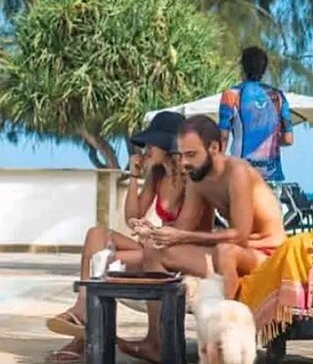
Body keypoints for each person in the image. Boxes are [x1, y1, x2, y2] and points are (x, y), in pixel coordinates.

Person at [45, 111, 213, 362]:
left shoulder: (193, 179)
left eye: (152, 143)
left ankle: (83, 335)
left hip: (183, 255)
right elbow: (132, 216)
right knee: (96, 236)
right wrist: (135, 176)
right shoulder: (158, 176)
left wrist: (151, 232)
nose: (146, 149)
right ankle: (82, 308)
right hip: (157, 247)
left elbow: (183, 230)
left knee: (102, 262)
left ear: (169, 146)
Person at [119, 115, 287, 363]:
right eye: (181, 155)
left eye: (191, 154)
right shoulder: (197, 178)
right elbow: (183, 227)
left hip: (265, 252)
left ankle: (223, 339)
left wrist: (182, 235)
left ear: (214, 148)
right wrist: (156, 233)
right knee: (155, 249)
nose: (184, 162)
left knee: (225, 250)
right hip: (231, 249)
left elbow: (241, 234)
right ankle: (159, 340)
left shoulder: (237, 172)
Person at [218, 46, 294, 196]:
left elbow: (223, 137)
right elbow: (288, 139)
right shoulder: (278, 96)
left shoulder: (231, 95)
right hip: (271, 176)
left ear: (242, 68)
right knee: (269, 212)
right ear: (264, 70)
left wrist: (218, 169)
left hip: (240, 173)